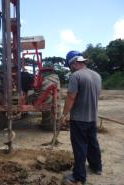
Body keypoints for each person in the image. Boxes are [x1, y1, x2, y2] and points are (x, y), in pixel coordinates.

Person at [61, 51, 102, 185]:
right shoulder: (97, 75)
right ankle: (97, 167)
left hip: (79, 119)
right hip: (92, 118)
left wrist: (65, 114)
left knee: (80, 147)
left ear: (74, 63)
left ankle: (79, 176)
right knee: (93, 143)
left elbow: (71, 97)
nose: (70, 68)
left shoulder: (76, 76)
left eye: (70, 65)